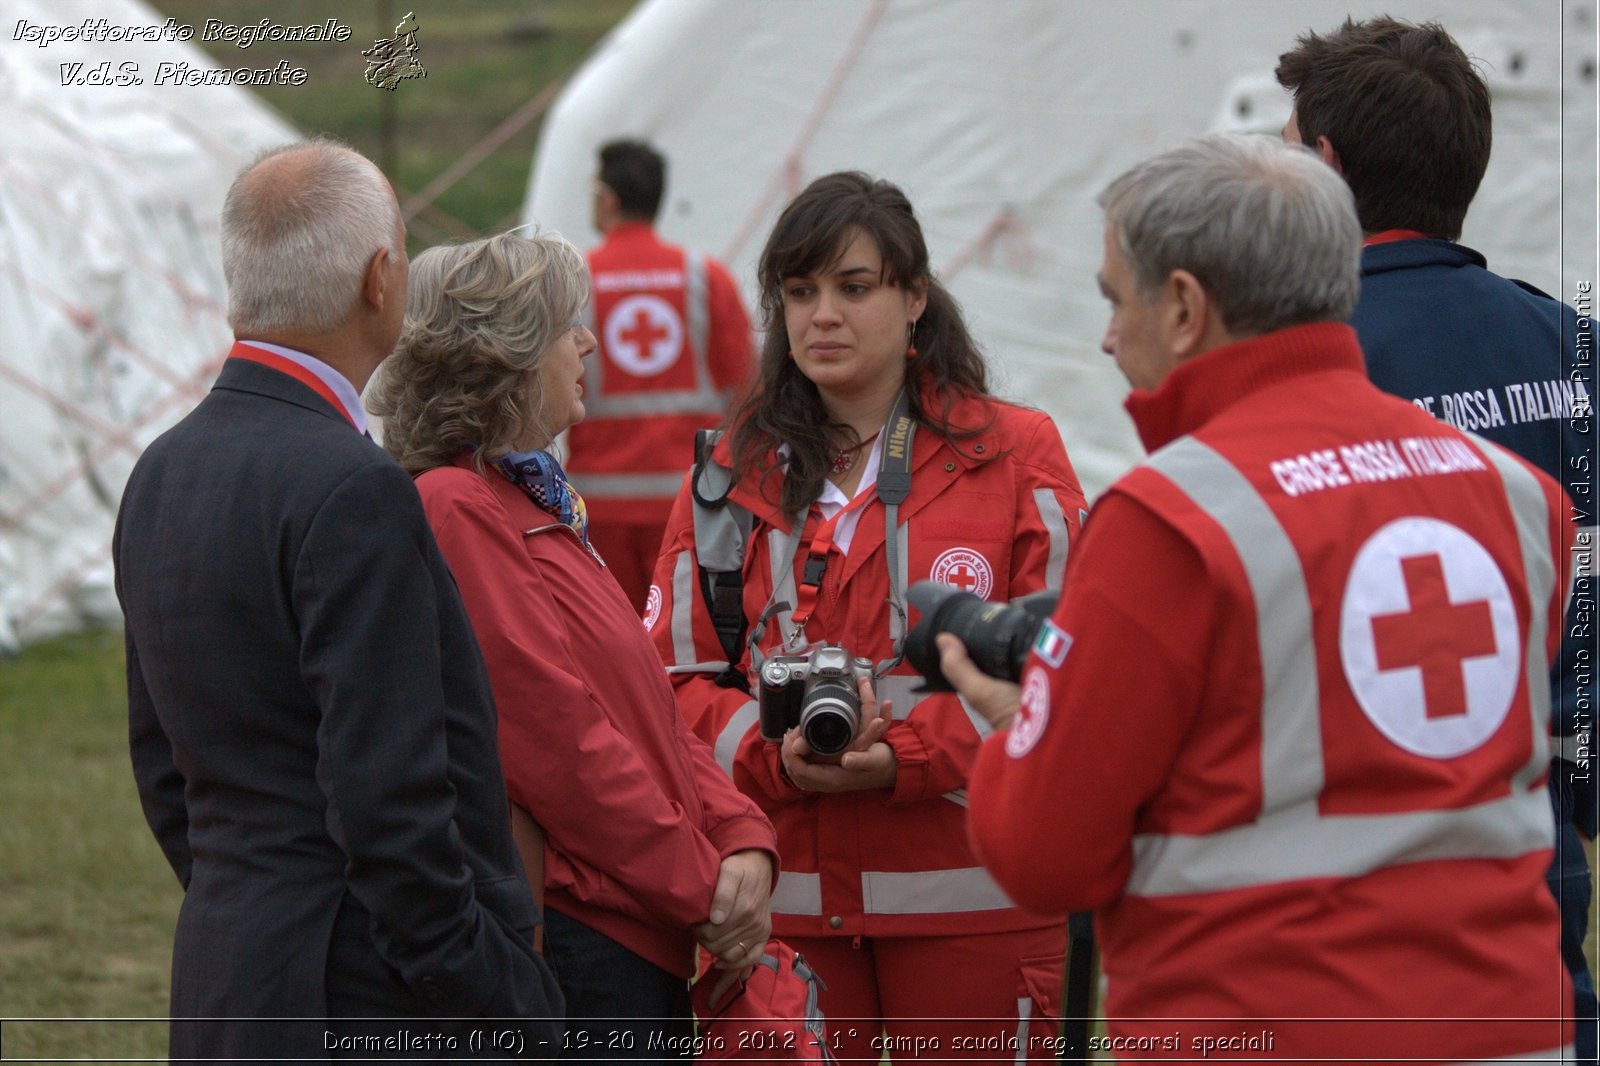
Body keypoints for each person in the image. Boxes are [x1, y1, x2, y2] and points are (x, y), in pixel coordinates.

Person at [942, 132, 1573, 1063]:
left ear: (1188, 306)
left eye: (1118, 300)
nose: (1108, 337)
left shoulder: (1172, 519)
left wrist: (1014, 724)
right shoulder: (1519, 493)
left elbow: (1046, 854)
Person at [112, 141, 562, 1061]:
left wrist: (249, 905)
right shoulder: (351, 485)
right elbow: (390, 795)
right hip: (360, 991)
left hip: (229, 973)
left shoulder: (160, 472)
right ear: (380, 279)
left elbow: (165, 764)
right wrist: (482, 983)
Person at [648, 171, 1087, 1061]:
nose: (823, 317)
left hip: (976, 900)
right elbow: (668, 686)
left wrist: (907, 755)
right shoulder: (727, 473)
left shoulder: (1016, 455)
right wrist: (773, 750)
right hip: (787, 906)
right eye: (800, 293)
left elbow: (1065, 671)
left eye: (854, 288)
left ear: (915, 296)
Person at [368, 231, 777, 1060]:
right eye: (566, 326)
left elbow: (645, 712)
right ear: (509, 353)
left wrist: (742, 835)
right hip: (588, 938)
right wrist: (702, 885)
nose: (589, 342)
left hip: (633, 920)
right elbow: (555, 738)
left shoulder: (533, 504)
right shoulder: (460, 505)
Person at [1277, 20, 1597, 1059]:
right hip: (1540, 842)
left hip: (1346, 880)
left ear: (1324, 167)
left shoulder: (1282, 374)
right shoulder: (1575, 346)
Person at [564, 139, 756, 612]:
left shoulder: (575, 281)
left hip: (599, 510)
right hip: (692, 506)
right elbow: (750, 387)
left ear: (607, 199)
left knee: (612, 643)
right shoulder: (705, 277)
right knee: (682, 640)